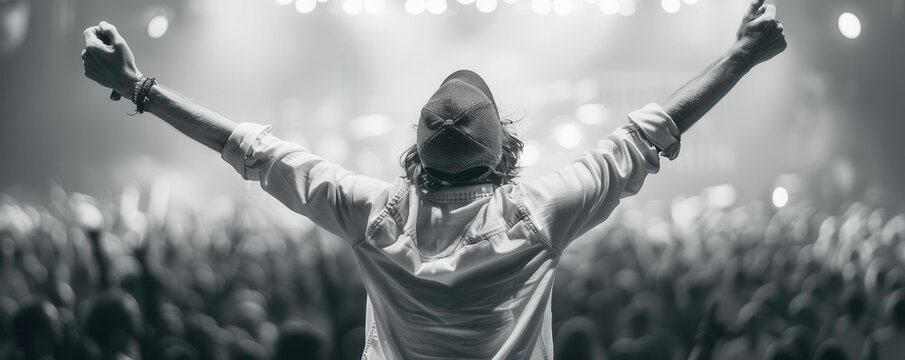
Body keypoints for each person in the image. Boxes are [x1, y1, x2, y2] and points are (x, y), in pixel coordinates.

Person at [79, 0, 786, 357]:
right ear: (504, 149)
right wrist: (741, 57)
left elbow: (248, 149)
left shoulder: (366, 213)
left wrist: (139, 86)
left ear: (415, 153)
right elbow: (648, 135)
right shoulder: (539, 214)